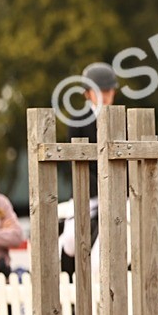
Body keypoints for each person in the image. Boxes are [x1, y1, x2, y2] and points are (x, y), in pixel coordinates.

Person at [59, 61, 119, 264]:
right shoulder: (77, 120)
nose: (105, 95)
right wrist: (101, 185)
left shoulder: (121, 119)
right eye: (100, 91)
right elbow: (75, 163)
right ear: (88, 94)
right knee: (71, 240)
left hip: (120, 191)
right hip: (88, 191)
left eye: (108, 90)